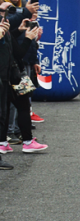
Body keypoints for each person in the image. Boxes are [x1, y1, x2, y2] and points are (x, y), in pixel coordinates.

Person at [0, 9, 47, 155]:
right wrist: (28, 38)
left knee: (6, 109)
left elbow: (9, 42)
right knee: (23, 106)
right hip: (13, 73)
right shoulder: (3, 26)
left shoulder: (5, 27)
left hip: (11, 73)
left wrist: (19, 31)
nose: (6, 13)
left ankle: (3, 143)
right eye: (4, 10)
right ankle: (27, 142)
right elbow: (18, 52)